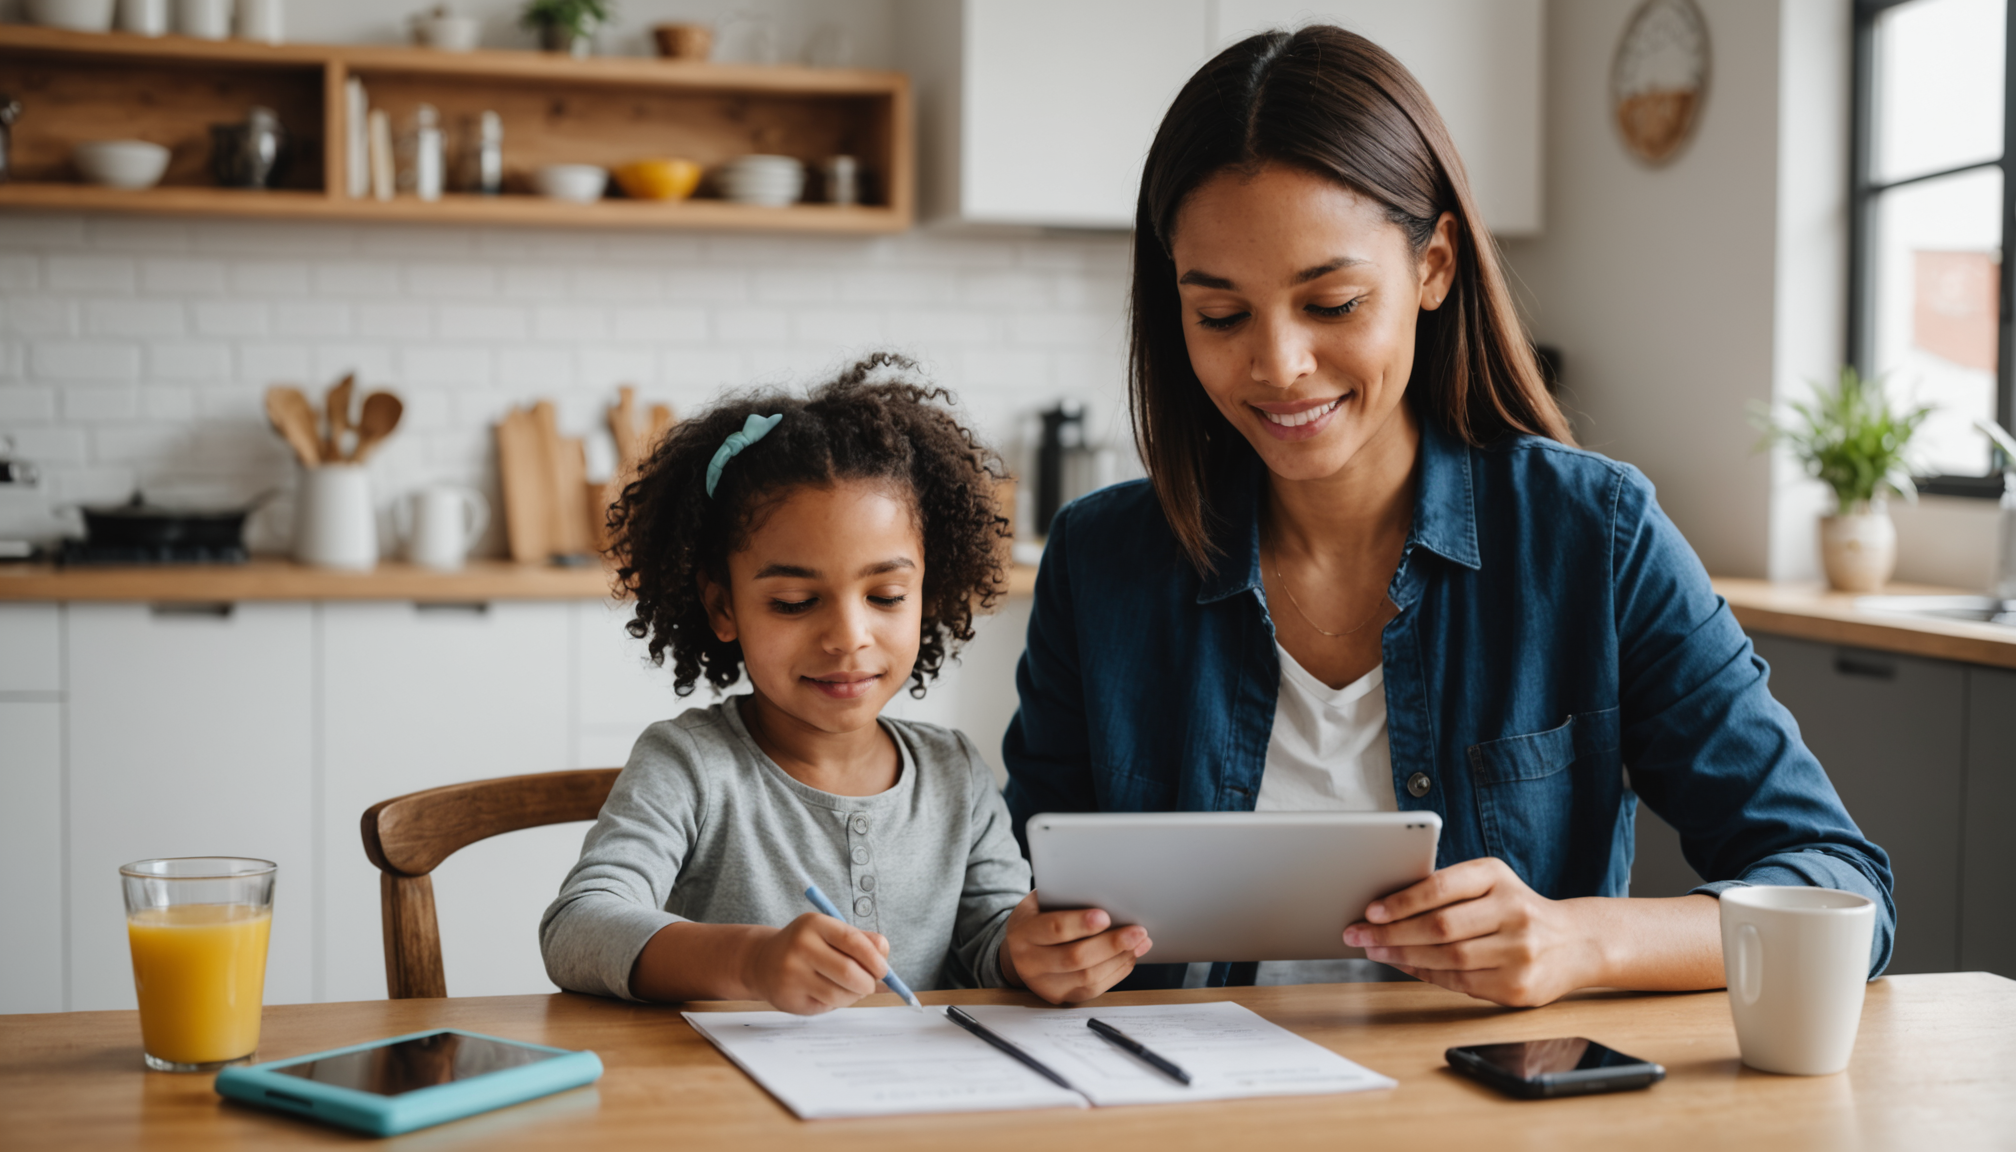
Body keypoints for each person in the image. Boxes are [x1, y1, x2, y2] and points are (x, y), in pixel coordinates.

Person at [1001, 26, 1895, 1007]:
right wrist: (1024, 944)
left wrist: (1580, 941)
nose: (1277, 364)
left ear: (1433, 266)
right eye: (1220, 315)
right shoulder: (1101, 560)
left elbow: (1841, 888)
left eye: (1332, 303)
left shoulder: (1594, 536)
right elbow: (1009, 889)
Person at [540, 355, 1144, 1014]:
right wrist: (751, 962)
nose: (847, 636)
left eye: (885, 595)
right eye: (795, 602)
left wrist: (1029, 951)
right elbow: (579, 927)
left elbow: (988, 940)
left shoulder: (955, 774)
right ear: (722, 608)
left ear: (927, 594)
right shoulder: (689, 766)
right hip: (726, 1106)